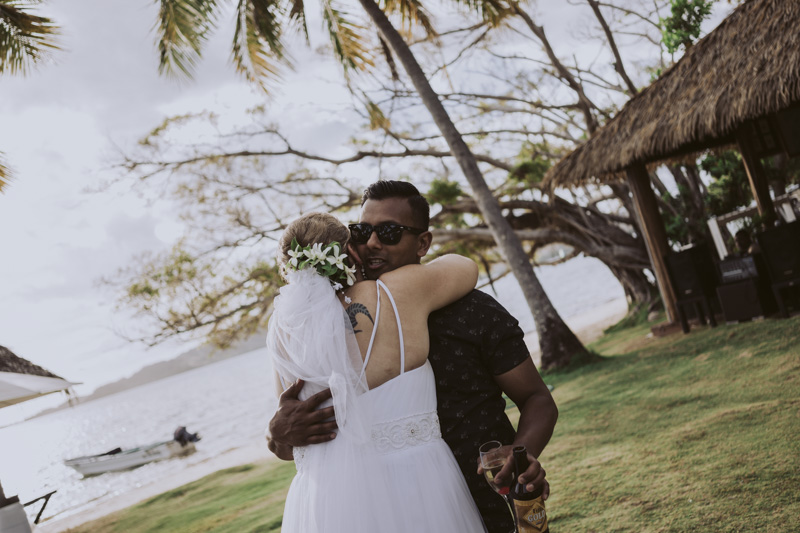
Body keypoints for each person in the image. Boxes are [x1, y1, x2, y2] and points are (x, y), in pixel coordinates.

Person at [268, 181, 559, 533]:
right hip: (376, 509)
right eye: (361, 231)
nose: (372, 243)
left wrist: (522, 453)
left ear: (423, 243)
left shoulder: (473, 309)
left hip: (488, 492)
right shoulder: (323, 337)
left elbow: (537, 397)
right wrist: (277, 432)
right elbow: (296, 443)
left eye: (389, 232)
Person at [268, 212, 486, 532]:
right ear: (350, 253)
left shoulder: (281, 330)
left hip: (329, 502)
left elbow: (288, 444)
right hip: (417, 481)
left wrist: (271, 435)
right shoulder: (396, 292)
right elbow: (465, 267)